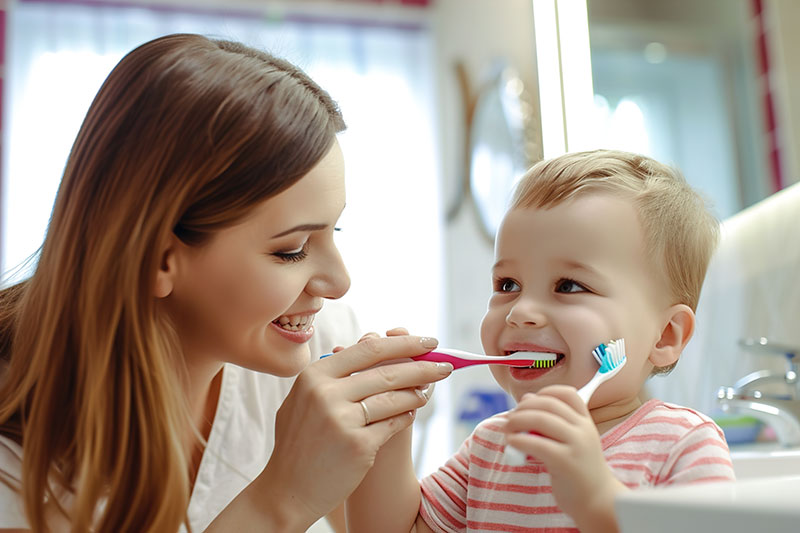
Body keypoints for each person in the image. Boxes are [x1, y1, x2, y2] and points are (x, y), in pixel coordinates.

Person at [0, 33, 454, 533]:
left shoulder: (316, 344)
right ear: (158, 258)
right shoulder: (15, 460)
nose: (339, 282)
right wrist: (281, 501)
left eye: (334, 230)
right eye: (291, 249)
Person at [346, 149, 736, 533]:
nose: (520, 311)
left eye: (568, 286)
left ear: (665, 336)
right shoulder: (491, 444)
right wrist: (390, 421)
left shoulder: (682, 444)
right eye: (508, 284)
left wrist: (598, 502)